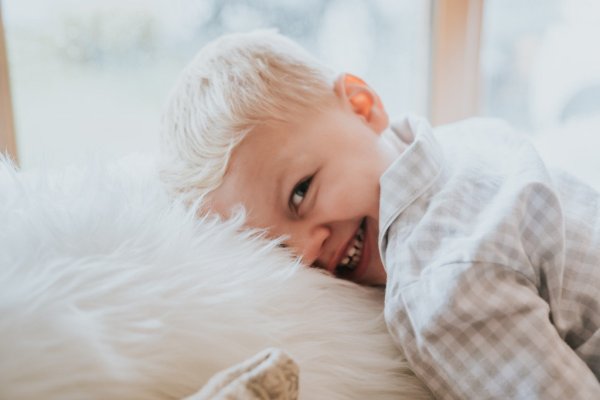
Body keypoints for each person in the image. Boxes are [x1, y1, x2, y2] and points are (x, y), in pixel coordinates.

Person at [159, 30, 600, 398]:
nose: (307, 250)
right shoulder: (468, 141)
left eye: (300, 193)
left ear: (361, 103)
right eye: (276, 247)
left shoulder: (441, 289)